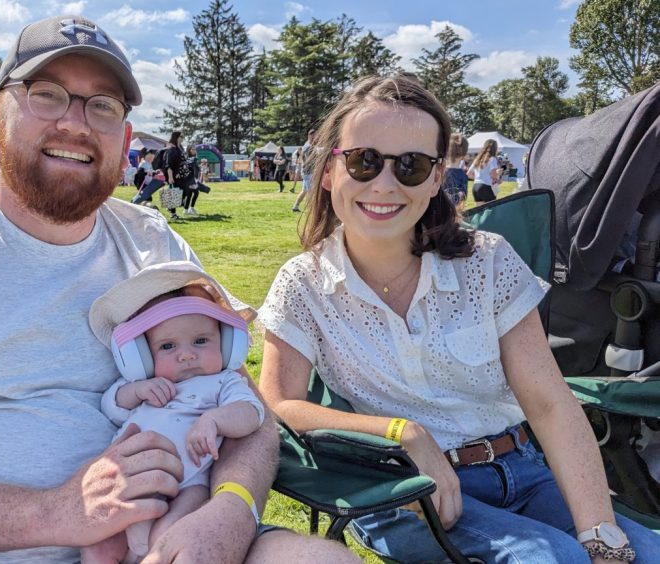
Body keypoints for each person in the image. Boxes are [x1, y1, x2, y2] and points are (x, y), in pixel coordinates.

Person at [0, 14, 357, 564]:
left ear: (125, 136)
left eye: (102, 106)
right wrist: (54, 513)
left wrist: (231, 509)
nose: (76, 124)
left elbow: (245, 406)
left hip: (165, 530)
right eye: (47, 94)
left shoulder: (153, 243)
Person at [257, 74, 660, 563]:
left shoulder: (487, 261)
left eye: (411, 166)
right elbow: (278, 404)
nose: (384, 184)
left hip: (524, 469)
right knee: (555, 559)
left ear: (434, 179)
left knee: (641, 554)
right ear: (328, 171)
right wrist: (401, 432)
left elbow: (550, 403)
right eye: (364, 161)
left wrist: (602, 533)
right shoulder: (303, 284)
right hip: (403, 487)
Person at [83, 261, 264, 563]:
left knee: (173, 532)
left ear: (228, 344)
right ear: (141, 357)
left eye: (201, 341)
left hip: (189, 482)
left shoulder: (223, 381)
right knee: (97, 543)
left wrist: (214, 420)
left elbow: (251, 412)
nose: (187, 354)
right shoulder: (145, 383)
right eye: (168, 346)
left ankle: (153, 554)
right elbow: (111, 405)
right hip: (132, 479)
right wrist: (137, 391)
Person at [163, 131, 192, 221]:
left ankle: (170, 207)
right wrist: (170, 177)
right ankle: (173, 213)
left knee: (186, 192)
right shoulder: (171, 149)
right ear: (176, 137)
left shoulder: (181, 148)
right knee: (174, 193)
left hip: (184, 175)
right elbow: (169, 165)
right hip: (176, 176)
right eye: (181, 136)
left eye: (183, 137)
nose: (183, 138)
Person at [441, 132, 469, 212]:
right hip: (454, 213)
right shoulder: (462, 175)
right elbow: (462, 198)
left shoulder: (439, 172)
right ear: (463, 154)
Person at [468, 139, 501, 203]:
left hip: (475, 187)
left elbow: (469, 173)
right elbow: (493, 174)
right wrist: (498, 178)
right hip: (486, 186)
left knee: (480, 211)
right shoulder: (492, 159)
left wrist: (479, 178)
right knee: (491, 210)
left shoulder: (478, 159)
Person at [291, 129, 315, 212]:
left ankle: (295, 206)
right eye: (315, 135)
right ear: (310, 135)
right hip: (309, 172)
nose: (317, 137)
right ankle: (312, 210)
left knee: (304, 190)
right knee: (311, 192)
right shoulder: (309, 146)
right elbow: (309, 160)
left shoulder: (307, 145)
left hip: (306, 171)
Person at [182, 145, 200, 216]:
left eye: (195, 149)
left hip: (192, 179)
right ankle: (188, 209)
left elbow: (195, 169)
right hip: (188, 179)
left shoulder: (193, 159)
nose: (194, 151)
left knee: (193, 194)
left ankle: (188, 209)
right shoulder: (189, 158)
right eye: (192, 149)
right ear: (189, 150)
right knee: (193, 193)